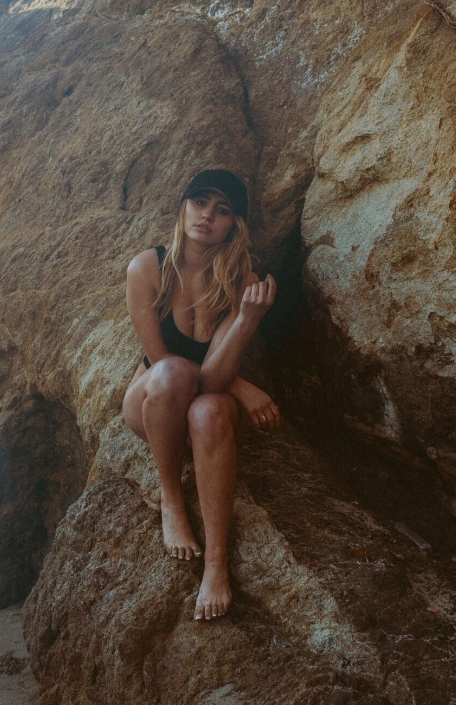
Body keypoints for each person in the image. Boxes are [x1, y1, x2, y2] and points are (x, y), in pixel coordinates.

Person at [122, 169, 279, 622]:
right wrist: (243, 387)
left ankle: (215, 565)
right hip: (154, 399)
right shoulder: (146, 268)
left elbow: (210, 382)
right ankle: (172, 500)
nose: (207, 215)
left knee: (209, 413)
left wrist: (247, 320)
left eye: (221, 210)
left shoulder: (242, 281)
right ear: (183, 207)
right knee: (172, 373)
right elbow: (159, 361)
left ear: (234, 225)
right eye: (200, 202)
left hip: (206, 396)